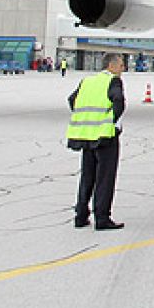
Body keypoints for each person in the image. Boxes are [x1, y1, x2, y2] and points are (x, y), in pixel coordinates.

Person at [66, 52, 127, 230]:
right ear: (112, 66)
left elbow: (72, 100)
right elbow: (118, 101)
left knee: (87, 176)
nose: (123, 69)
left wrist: (84, 118)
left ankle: (81, 215)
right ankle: (102, 217)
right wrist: (111, 121)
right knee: (105, 178)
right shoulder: (113, 81)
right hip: (105, 136)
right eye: (121, 65)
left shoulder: (87, 81)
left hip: (86, 135)